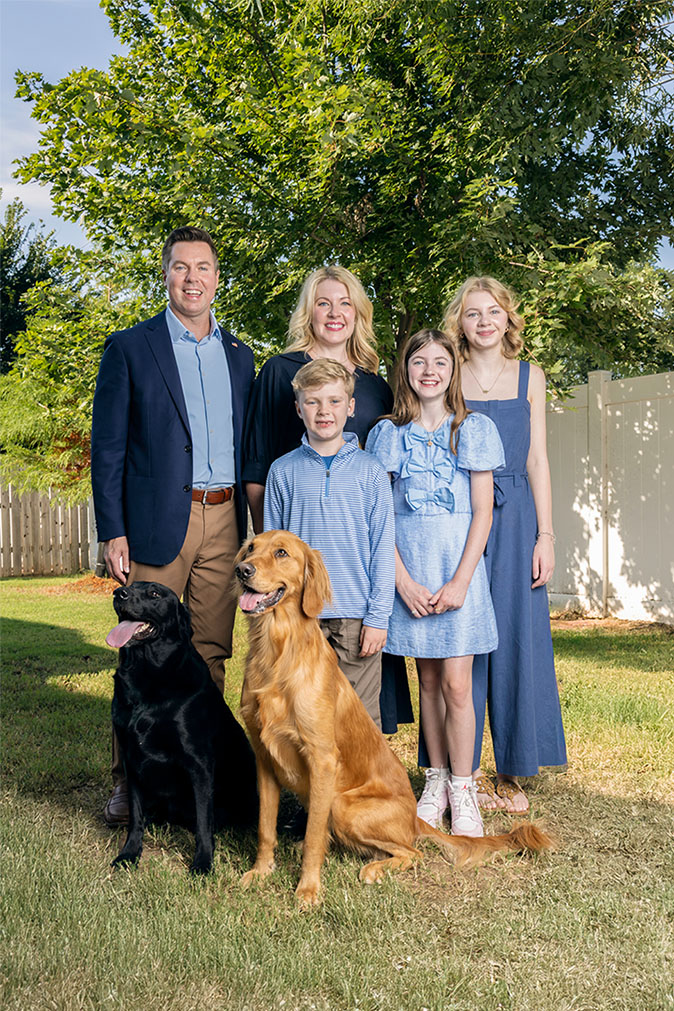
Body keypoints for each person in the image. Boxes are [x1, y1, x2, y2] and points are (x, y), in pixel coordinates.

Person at [91, 225, 255, 826]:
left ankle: (195, 778)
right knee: (140, 651)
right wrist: (114, 529)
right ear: (166, 274)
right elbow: (107, 446)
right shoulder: (132, 348)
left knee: (207, 651)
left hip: (225, 518)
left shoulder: (241, 357)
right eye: (181, 267)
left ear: (217, 278)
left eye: (204, 267)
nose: (193, 278)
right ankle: (126, 787)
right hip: (159, 520)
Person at [243, 264, 412, 733]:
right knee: (301, 707)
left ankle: (357, 794)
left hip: (357, 583)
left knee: (356, 714)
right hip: (298, 580)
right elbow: (259, 468)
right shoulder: (280, 373)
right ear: (308, 312)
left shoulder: (376, 386)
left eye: (345, 303)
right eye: (323, 302)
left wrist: (379, 607)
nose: (335, 313)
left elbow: (384, 492)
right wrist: (274, 565)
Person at [366, 330, 505, 837]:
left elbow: (484, 510)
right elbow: (380, 516)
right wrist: (400, 581)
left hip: (457, 570)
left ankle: (465, 790)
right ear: (405, 371)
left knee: (456, 683)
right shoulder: (387, 434)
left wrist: (462, 581)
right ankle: (436, 781)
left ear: (453, 370)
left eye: (439, 362)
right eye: (418, 362)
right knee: (426, 681)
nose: (429, 371)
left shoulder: (474, 429)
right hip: (412, 570)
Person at [442, 276, 567, 814]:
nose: (485, 321)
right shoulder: (449, 375)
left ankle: (512, 771)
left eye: (493, 311)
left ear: (507, 318)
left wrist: (546, 533)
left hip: (517, 520)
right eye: (473, 313)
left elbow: (537, 459)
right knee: (459, 637)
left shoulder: (530, 377)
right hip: (461, 516)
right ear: (460, 324)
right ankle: (453, 770)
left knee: (517, 635)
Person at [263, 359, 395, 728]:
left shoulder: (371, 471)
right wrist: (279, 612)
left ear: (350, 407)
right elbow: (273, 558)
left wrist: (378, 617)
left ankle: (362, 788)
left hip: (357, 613)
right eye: (313, 402)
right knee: (303, 713)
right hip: (301, 614)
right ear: (298, 408)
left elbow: (383, 547)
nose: (325, 411)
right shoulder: (282, 471)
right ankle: (312, 787)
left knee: (358, 721)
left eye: (335, 401)